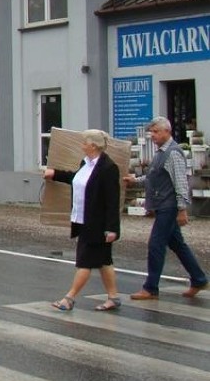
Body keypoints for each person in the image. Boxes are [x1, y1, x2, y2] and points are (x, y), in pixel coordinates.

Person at [123, 116, 208, 300]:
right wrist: (135, 181)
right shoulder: (161, 152)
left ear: (167, 132)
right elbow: (153, 177)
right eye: (151, 132)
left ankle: (151, 287)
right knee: (177, 244)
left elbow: (181, 182)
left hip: (169, 206)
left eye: (155, 132)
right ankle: (199, 279)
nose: (152, 135)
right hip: (162, 205)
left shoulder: (173, 153)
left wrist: (182, 208)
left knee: (156, 245)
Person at [44, 129, 122, 312]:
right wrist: (54, 174)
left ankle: (69, 298)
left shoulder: (108, 167)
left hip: (97, 224)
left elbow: (112, 200)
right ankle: (114, 297)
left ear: (93, 146)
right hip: (81, 219)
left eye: (84, 142)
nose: (82, 145)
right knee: (104, 261)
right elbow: (76, 179)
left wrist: (112, 229)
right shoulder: (85, 163)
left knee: (85, 261)